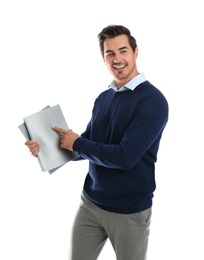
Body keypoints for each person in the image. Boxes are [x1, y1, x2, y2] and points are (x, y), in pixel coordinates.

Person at [25, 24, 169, 260]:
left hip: (129, 211)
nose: (117, 59)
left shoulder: (152, 101)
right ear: (103, 59)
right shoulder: (104, 97)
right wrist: (45, 147)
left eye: (123, 51)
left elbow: (125, 158)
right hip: (90, 204)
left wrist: (77, 144)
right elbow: (87, 147)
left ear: (135, 52)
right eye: (109, 53)